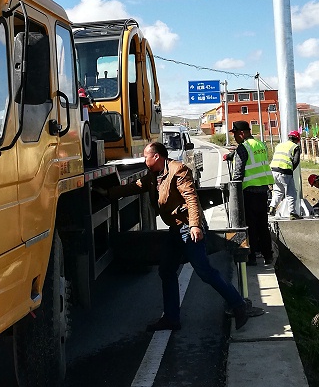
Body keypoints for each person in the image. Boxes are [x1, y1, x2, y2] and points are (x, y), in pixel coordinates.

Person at [112, 140, 250, 332]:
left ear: (156, 156)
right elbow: (135, 186)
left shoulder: (179, 170)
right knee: (166, 271)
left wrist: (195, 225)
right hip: (175, 230)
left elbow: (191, 198)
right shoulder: (154, 175)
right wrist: (108, 193)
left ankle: (238, 304)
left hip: (188, 227)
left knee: (204, 272)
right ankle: (171, 319)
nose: (143, 159)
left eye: (146, 156)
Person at [230, 120, 275, 266]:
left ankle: (252, 257)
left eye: (235, 134)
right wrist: (231, 155)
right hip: (263, 191)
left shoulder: (243, 147)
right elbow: (253, 160)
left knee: (250, 226)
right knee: (263, 225)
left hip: (248, 191)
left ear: (241, 133)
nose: (234, 138)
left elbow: (239, 171)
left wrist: (234, 188)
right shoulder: (260, 145)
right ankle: (268, 256)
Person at [270, 130, 302, 218]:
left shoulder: (279, 145)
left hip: (273, 170)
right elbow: (296, 161)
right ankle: (292, 213)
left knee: (278, 191)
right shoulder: (295, 147)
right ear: (297, 139)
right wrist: (290, 170)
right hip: (284, 171)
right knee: (291, 193)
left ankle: (272, 208)